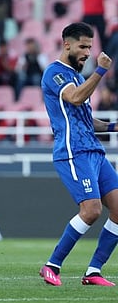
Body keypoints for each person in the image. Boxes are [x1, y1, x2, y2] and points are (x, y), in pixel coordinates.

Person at [40, 22, 118, 287]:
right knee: (92, 209)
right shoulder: (55, 73)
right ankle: (52, 265)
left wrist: (115, 127)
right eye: (83, 46)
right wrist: (101, 71)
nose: (87, 52)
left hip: (95, 151)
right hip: (73, 151)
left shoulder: (78, 77)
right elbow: (74, 98)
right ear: (67, 44)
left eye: (90, 47)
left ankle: (93, 271)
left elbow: (87, 120)